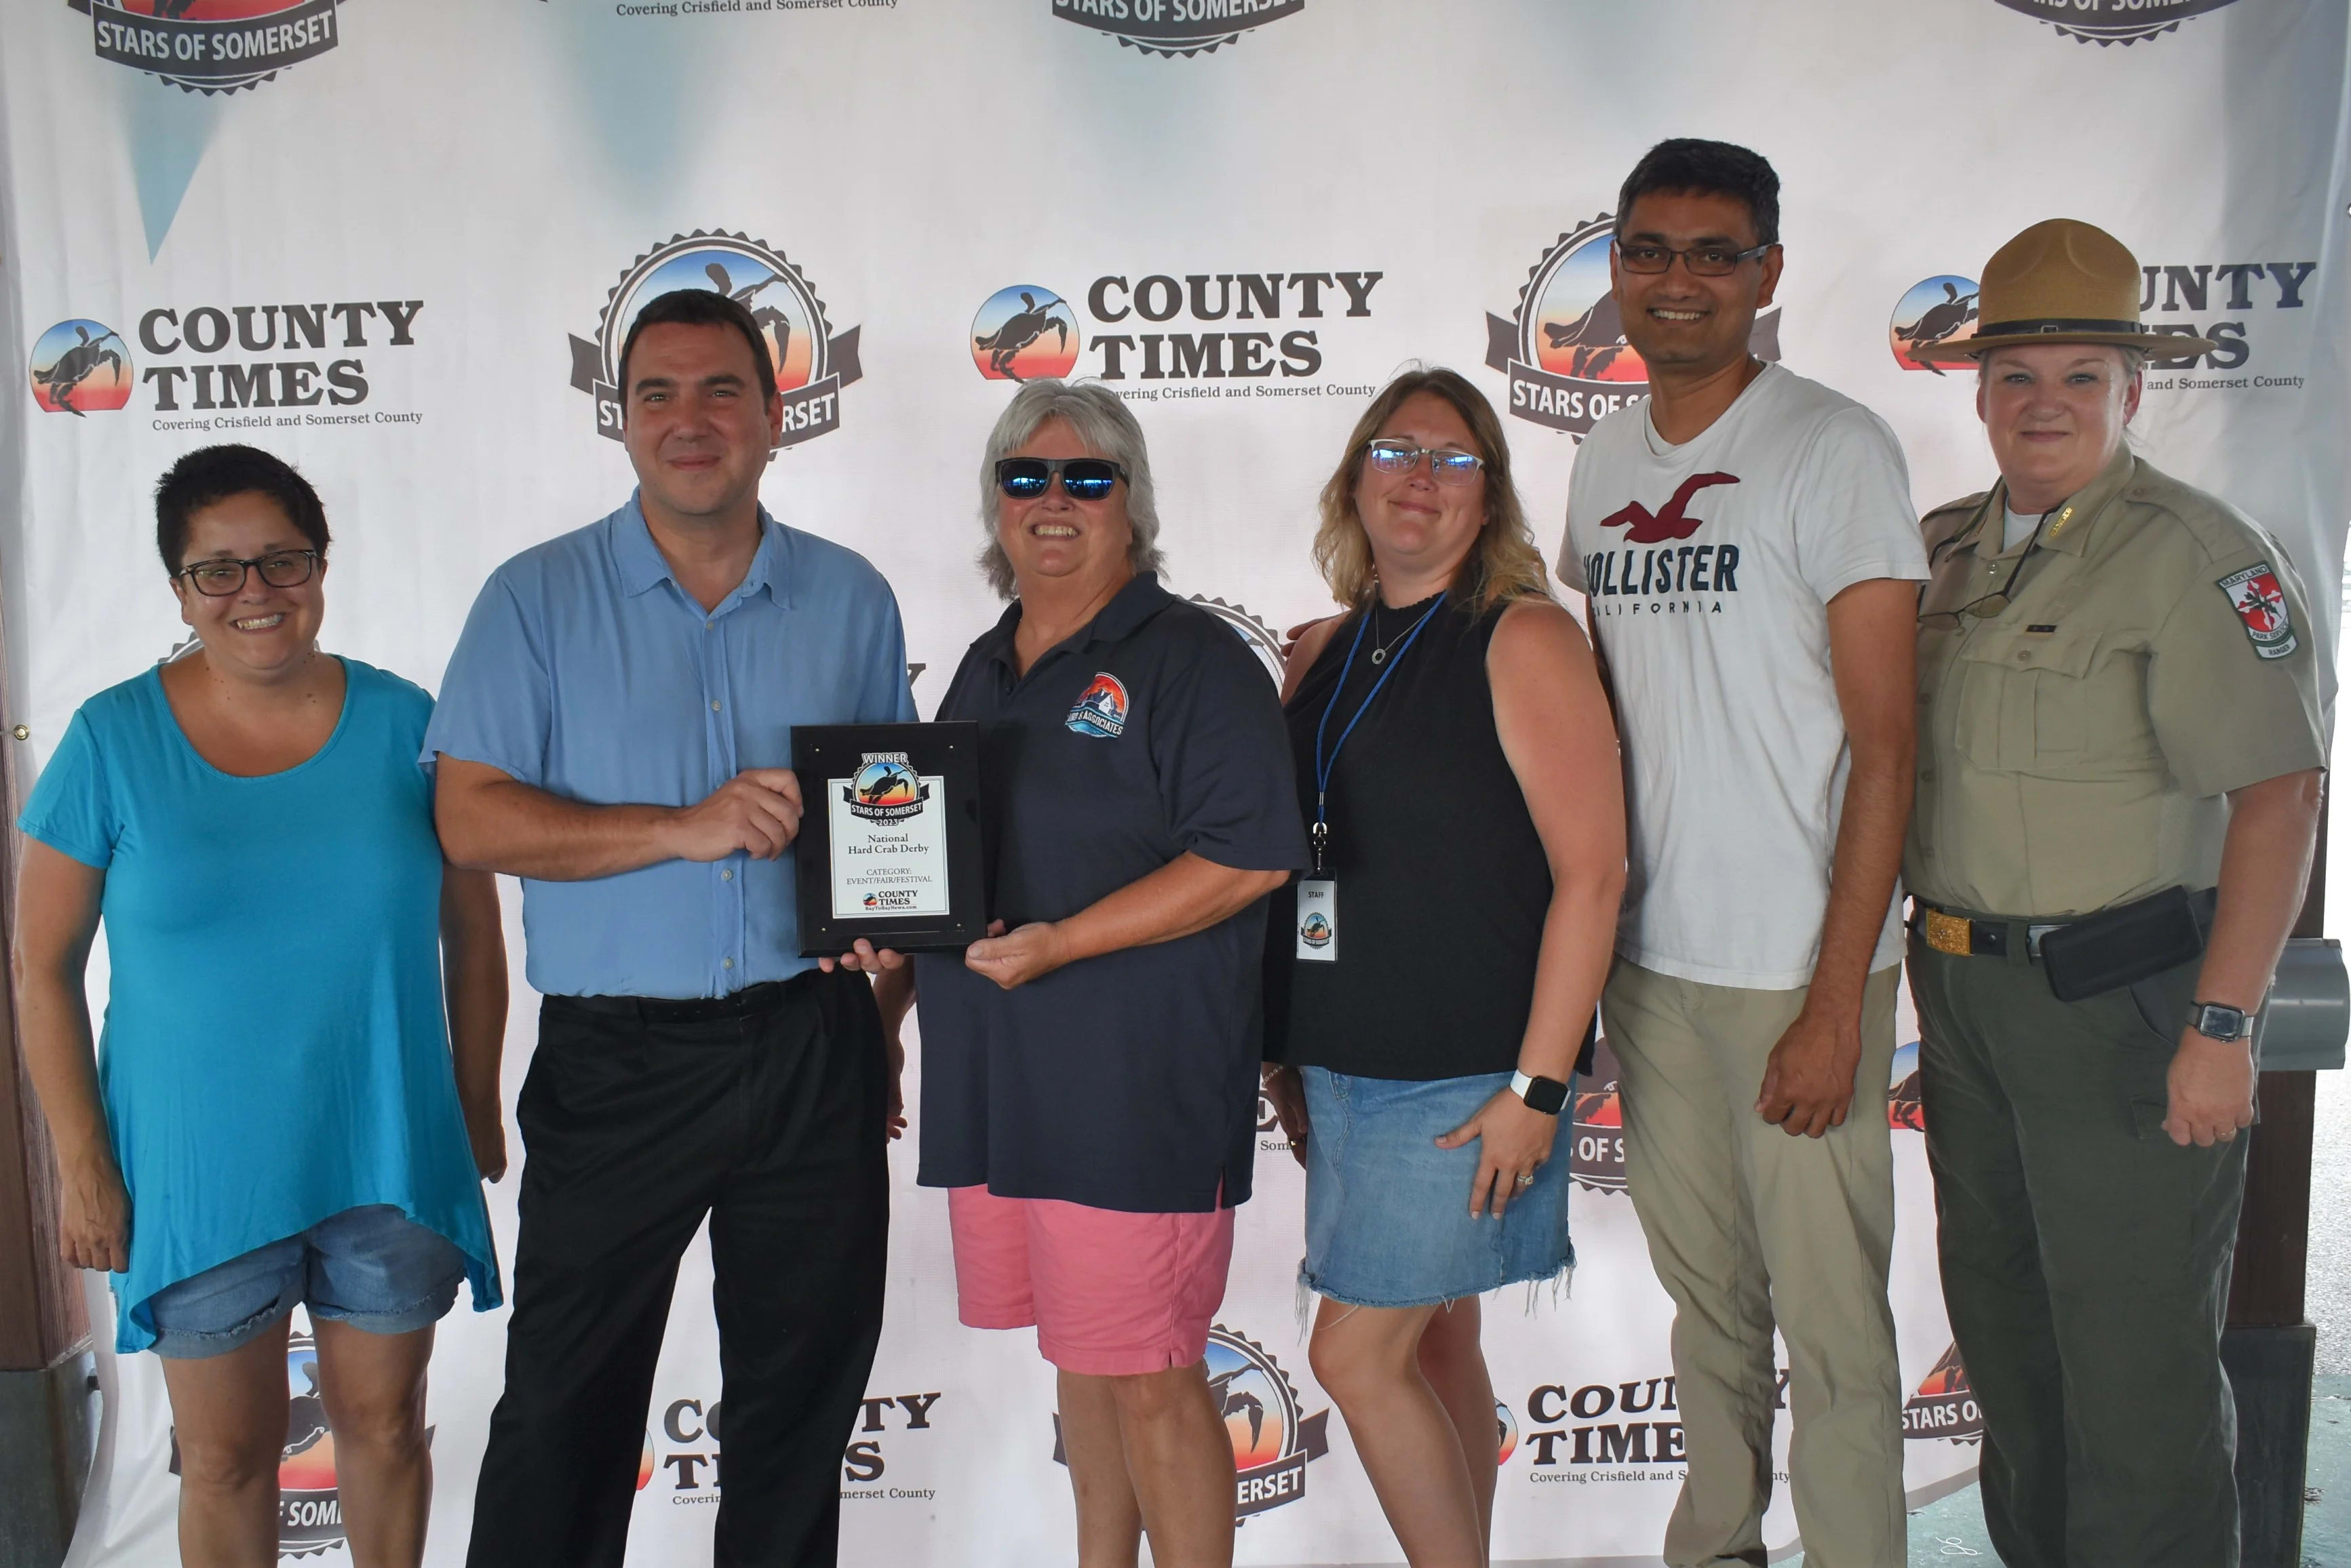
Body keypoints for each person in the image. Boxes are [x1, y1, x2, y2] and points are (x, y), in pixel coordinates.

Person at [427, 288, 915, 1568]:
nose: (688, 420)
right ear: (622, 419)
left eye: (719, 391)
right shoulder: (533, 597)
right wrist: (677, 828)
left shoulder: (851, 597)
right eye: (658, 394)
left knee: (800, 1411)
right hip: (617, 1064)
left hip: (812, 1042)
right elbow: (468, 821)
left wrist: (883, 990)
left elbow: (892, 830)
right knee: (562, 1413)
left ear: (774, 416)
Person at [1904, 219, 2325, 1567]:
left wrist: (2223, 1024)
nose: (2045, 403)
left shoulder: (2192, 552)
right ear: (1978, 392)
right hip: (1960, 995)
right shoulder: (1943, 551)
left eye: (2080, 376)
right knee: (2007, 1341)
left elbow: (2278, 795)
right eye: (2017, 376)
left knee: (2134, 1363)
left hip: (2122, 1006)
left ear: (2130, 389)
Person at [14, 444, 507, 1568]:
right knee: (227, 1462)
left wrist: (473, 1105)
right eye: (218, 571)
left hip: (387, 1151)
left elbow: (475, 933)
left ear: (322, 565)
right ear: (178, 588)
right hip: (195, 1169)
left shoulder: (407, 725)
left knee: (387, 1430)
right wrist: (83, 1164)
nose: (255, 593)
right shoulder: (111, 740)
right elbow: (40, 969)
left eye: (283, 561)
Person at [839, 379, 1302, 1568]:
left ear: (1130, 503)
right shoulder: (985, 666)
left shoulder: (1191, 658)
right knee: (1084, 1362)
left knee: (1150, 1375)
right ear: (995, 503)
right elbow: (937, 875)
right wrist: (887, 1009)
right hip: (1003, 1086)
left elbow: (1247, 858)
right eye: (1025, 477)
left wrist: (1062, 942)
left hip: (1134, 1090)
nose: (1054, 500)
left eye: (1086, 478)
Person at [1555, 139, 1927, 1567]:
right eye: (1649, 250)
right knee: (1706, 1312)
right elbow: (1596, 710)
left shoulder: (1831, 447)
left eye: (1715, 254)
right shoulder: (1600, 456)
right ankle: (1714, 1546)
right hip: (1652, 969)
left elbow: (1886, 749)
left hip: (1794, 970)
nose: (1679, 280)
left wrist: (1835, 1003)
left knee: (1831, 1334)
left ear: (1766, 273)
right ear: (1616, 269)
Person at [1258, 367, 1625, 1568]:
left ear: (1489, 495)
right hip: (1347, 1064)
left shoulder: (1523, 637)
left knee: (1352, 1357)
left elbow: (1592, 877)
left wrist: (1538, 1088)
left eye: (1452, 459)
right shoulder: (1322, 650)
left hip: (1468, 1077)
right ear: (1354, 478)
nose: (1420, 477)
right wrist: (1286, 1051)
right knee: (1433, 1343)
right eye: (1397, 451)